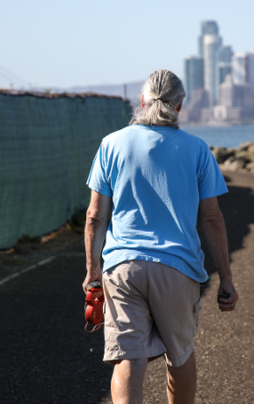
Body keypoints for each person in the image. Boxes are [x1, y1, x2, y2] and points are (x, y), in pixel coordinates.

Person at [83, 69, 238, 404]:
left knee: (129, 357)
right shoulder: (197, 149)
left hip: (122, 266)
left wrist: (93, 271)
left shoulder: (111, 144)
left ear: (141, 101)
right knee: (179, 354)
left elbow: (95, 216)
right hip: (177, 267)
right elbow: (211, 218)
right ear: (180, 106)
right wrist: (225, 278)